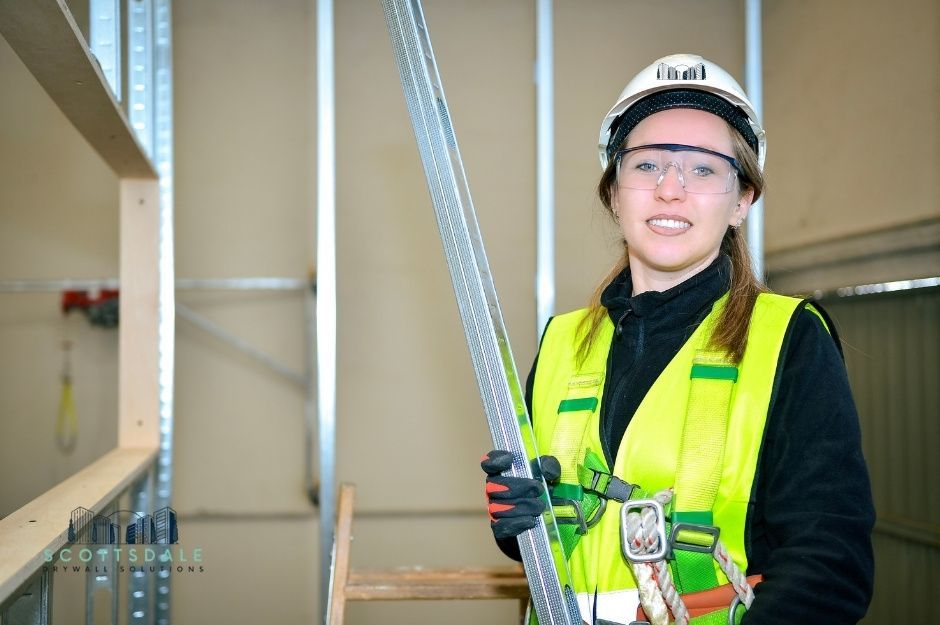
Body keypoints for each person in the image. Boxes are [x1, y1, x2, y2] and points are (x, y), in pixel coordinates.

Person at [481, 53, 874, 625]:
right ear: (614, 194)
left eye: (704, 169)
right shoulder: (563, 342)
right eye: (646, 166)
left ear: (742, 200)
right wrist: (520, 522)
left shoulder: (788, 340)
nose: (670, 189)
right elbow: (553, 547)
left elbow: (830, 568)